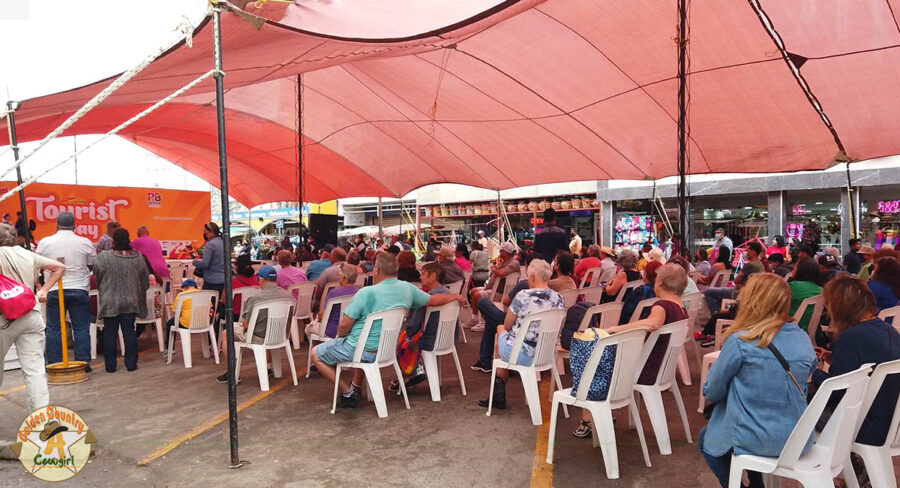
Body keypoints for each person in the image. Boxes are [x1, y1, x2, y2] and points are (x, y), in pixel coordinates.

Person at [699, 273, 817, 488]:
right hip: (797, 437)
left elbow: (712, 391)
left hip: (754, 438)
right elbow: (809, 373)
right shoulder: (801, 336)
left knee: (708, 441)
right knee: (747, 421)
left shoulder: (740, 340)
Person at [311, 253, 465, 408]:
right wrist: (455, 297)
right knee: (363, 345)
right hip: (388, 349)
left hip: (361, 349)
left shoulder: (366, 293)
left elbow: (345, 324)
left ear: (376, 270)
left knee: (316, 354)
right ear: (396, 270)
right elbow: (432, 300)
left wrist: (340, 337)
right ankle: (356, 387)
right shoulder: (407, 288)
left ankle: (347, 392)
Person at [571, 264, 689, 438]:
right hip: (660, 370)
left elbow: (653, 323)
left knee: (590, 362)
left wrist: (615, 329)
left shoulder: (662, 306)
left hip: (645, 371)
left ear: (660, 283)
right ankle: (600, 415)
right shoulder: (680, 306)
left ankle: (590, 419)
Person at [814, 276, 900, 455]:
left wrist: (813, 372)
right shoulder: (888, 330)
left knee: (797, 414)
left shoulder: (851, 338)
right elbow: (868, 365)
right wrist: (835, 358)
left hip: (863, 426)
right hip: (889, 422)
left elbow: (835, 393)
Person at [477, 259, 565, 409]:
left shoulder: (523, 296)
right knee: (502, 331)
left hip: (523, 355)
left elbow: (507, 325)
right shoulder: (559, 298)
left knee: (499, 329)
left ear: (531, 277)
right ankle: (498, 395)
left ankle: (498, 394)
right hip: (547, 354)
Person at [0, 223, 65, 412]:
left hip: (4, 318)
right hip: (31, 313)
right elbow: (59, 267)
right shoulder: (27, 254)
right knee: (35, 370)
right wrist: (43, 290)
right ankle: (40, 417)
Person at [35, 212, 97, 370]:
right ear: (75, 226)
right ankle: (83, 363)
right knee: (81, 327)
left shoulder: (45, 242)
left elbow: (37, 265)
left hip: (54, 289)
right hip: (79, 289)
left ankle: (54, 363)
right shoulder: (85, 242)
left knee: (54, 328)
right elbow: (92, 264)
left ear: (56, 226)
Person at [216, 266, 292, 383]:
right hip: (280, 335)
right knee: (264, 327)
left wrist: (243, 325)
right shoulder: (288, 295)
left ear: (261, 280)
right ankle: (268, 367)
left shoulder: (255, 298)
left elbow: (246, 325)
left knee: (226, 334)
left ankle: (231, 372)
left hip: (259, 337)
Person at [95, 228, 150, 373]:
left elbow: (97, 275)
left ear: (113, 240)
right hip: (130, 299)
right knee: (129, 332)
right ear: (128, 239)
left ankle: (110, 366)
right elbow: (145, 280)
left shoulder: (104, 257)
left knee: (110, 333)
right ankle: (131, 364)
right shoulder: (138, 257)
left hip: (110, 299)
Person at [390, 262, 451, 392]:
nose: (420, 277)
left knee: (394, 340)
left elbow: (412, 326)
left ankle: (414, 370)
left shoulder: (425, 298)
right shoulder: (449, 294)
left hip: (427, 341)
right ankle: (407, 375)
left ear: (433, 276)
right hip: (447, 339)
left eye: (423, 274)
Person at [464, 242, 520, 330]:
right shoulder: (504, 262)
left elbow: (501, 273)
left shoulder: (514, 263)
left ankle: (483, 322)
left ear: (506, 252)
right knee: (474, 290)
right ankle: (474, 318)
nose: (500, 252)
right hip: (495, 289)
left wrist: (494, 269)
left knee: (477, 294)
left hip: (500, 292)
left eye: (501, 251)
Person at [704, 241, 764, 316]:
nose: (745, 252)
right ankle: (721, 313)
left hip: (739, 292)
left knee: (708, 292)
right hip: (749, 292)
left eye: (747, 250)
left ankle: (716, 315)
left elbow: (735, 281)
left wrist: (740, 283)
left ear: (753, 252)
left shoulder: (750, 265)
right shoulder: (760, 264)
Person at [305, 264, 358, 341]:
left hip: (332, 331)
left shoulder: (334, 293)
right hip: (350, 330)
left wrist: (317, 321)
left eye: (339, 277)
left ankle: (319, 350)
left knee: (308, 329)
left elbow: (322, 316)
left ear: (343, 278)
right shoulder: (358, 292)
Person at [788, 257, 823, 332]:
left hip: (790, 328)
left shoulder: (792, 287)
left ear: (799, 271)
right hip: (814, 332)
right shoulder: (820, 290)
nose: (792, 271)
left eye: (794, 269)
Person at [193, 222, 226, 298]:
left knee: (210, 305)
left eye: (205, 232)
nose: (205, 234)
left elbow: (205, 263)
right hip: (224, 279)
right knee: (220, 305)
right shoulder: (223, 242)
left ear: (210, 232)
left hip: (212, 281)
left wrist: (195, 262)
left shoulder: (210, 244)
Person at [231, 254, 259, 318]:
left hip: (236, 316)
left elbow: (224, 300)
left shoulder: (233, 282)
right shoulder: (258, 281)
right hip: (253, 315)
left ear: (237, 267)